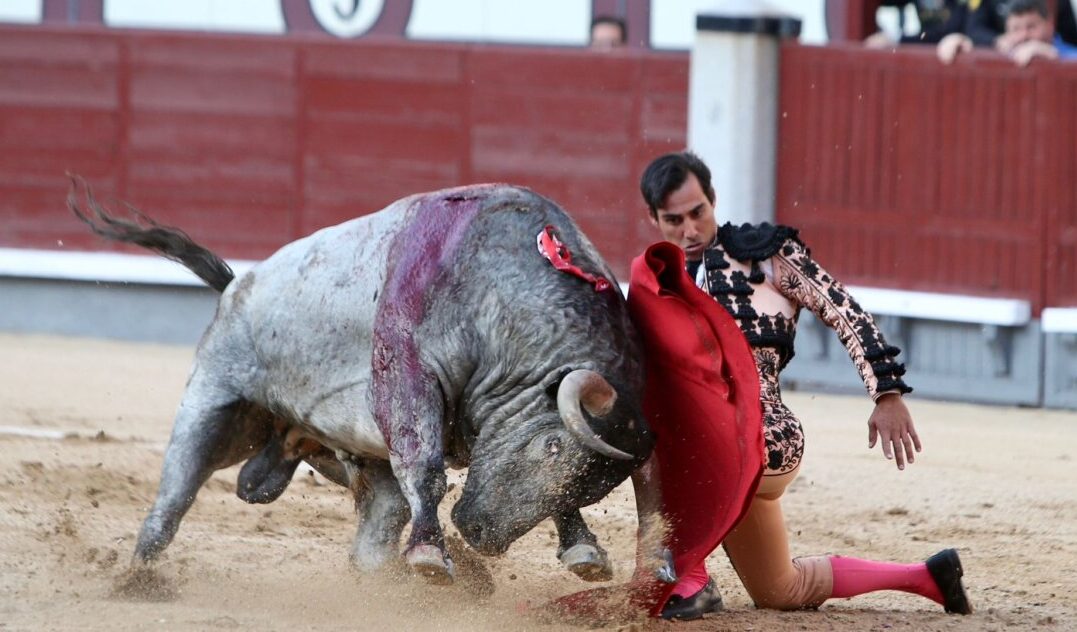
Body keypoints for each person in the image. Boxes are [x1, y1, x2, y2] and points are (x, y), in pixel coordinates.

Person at [638, 151, 972, 621]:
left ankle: (688, 575)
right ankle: (927, 577)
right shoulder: (655, 285)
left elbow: (843, 310)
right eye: (674, 220)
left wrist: (886, 392)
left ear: (713, 200)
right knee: (780, 589)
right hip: (713, 455)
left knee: (663, 441)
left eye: (698, 213)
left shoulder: (764, 255)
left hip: (766, 436)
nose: (690, 230)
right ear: (652, 219)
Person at [938, 0, 1077, 63]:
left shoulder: (1064, 52)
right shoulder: (1004, 52)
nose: (1024, 35)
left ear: (1049, 25)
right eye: (1016, 29)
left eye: (1031, 27)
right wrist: (961, 47)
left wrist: (1052, 56)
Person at [863, 0, 968, 47]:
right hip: (927, 57)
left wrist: (896, 39)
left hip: (956, 57)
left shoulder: (959, 4)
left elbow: (946, 31)